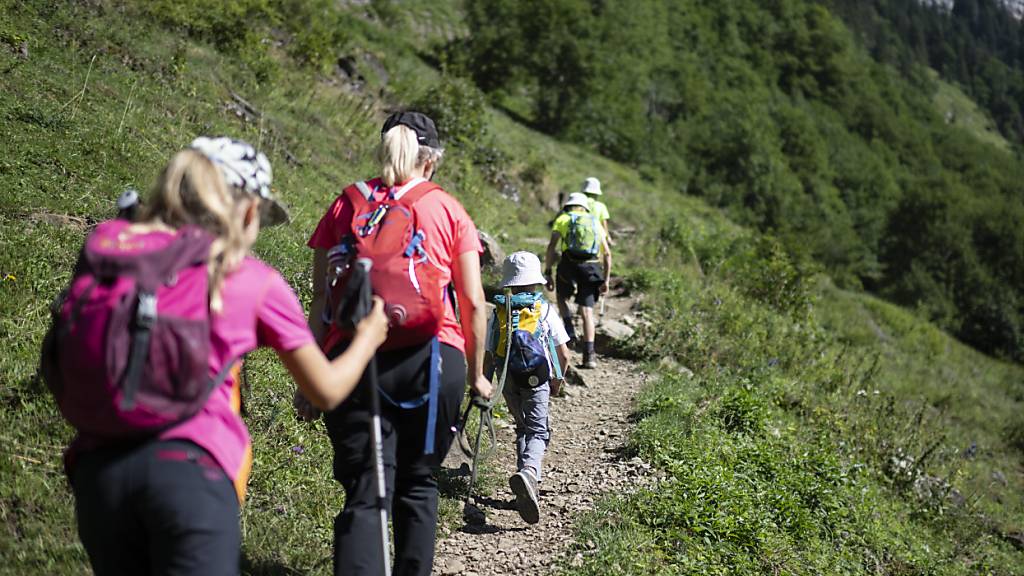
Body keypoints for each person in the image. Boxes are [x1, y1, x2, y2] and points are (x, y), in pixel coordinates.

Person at [65, 137, 390, 576]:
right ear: (249, 210)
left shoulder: (108, 245)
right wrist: (368, 338)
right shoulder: (249, 279)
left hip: (98, 473)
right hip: (191, 479)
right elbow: (327, 389)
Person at [300, 111, 492, 576]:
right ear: (433, 161)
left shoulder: (347, 204)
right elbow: (472, 302)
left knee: (365, 490)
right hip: (433, 357)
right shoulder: (447, 208)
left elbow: (323, 296)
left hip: (353, 358)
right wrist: (476, 374)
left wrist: (309, 377)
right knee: (418, 484)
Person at [485, 251, 570, 524]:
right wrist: (557, 379)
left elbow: (488, 353)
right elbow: (563, 353)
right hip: (535, 377)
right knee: (539, 430)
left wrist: (485, 383)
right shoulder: (543, 309)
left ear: (508, 282)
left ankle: (526, 480)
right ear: (535, 282)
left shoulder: (498, 310)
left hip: (506, 377)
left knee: (523, 427)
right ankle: (530, 473)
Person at [544, 192, 612, 369]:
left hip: (568, 265)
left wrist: (548, 271)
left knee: (561, 298)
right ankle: (589, 355)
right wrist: (606, 280)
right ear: (584, 207)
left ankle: (569, 329)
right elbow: (607, 254)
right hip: (592, 267)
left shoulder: (564, 218)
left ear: (569, 205)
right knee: (587, 311)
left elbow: (552, 246)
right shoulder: (595, 221)